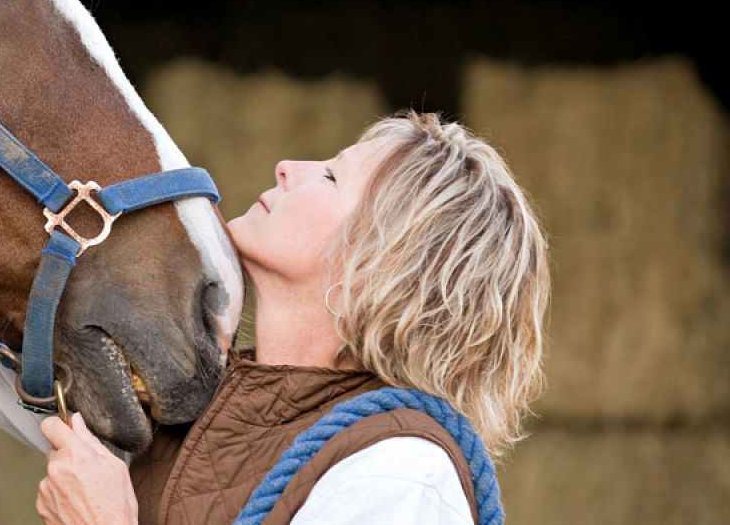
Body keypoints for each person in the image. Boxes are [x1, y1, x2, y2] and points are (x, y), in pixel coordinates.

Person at [35, 112, 549, 524]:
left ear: (376, 264)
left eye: (330, 177)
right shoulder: (182, 404)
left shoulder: (402, 476)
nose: (287, 166)